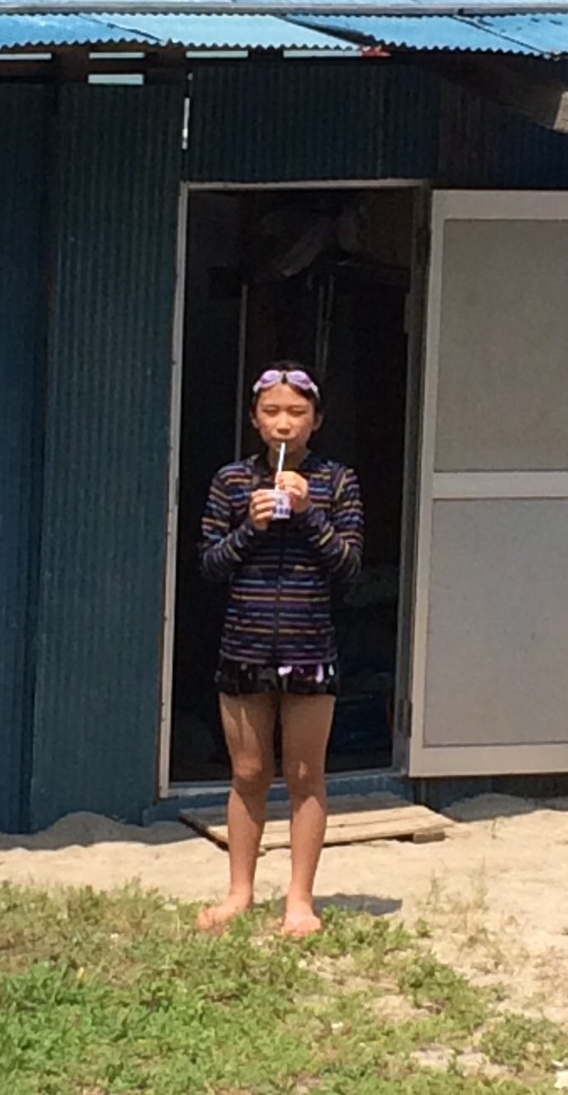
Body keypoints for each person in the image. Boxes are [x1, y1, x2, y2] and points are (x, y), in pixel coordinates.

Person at [196, 361, 364, 937]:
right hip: (243, 644)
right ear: (254, 419)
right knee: (247, 772)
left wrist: (311, 513)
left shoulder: (337, 482)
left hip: (309, 644)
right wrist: (251, 526)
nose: (284, 424)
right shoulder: (232, 481)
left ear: (316, 420)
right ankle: (239, 892)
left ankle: (299, 900)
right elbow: (209, 565)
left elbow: (349, 567)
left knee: (305, 774)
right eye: (272, 412)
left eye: (296, 412)